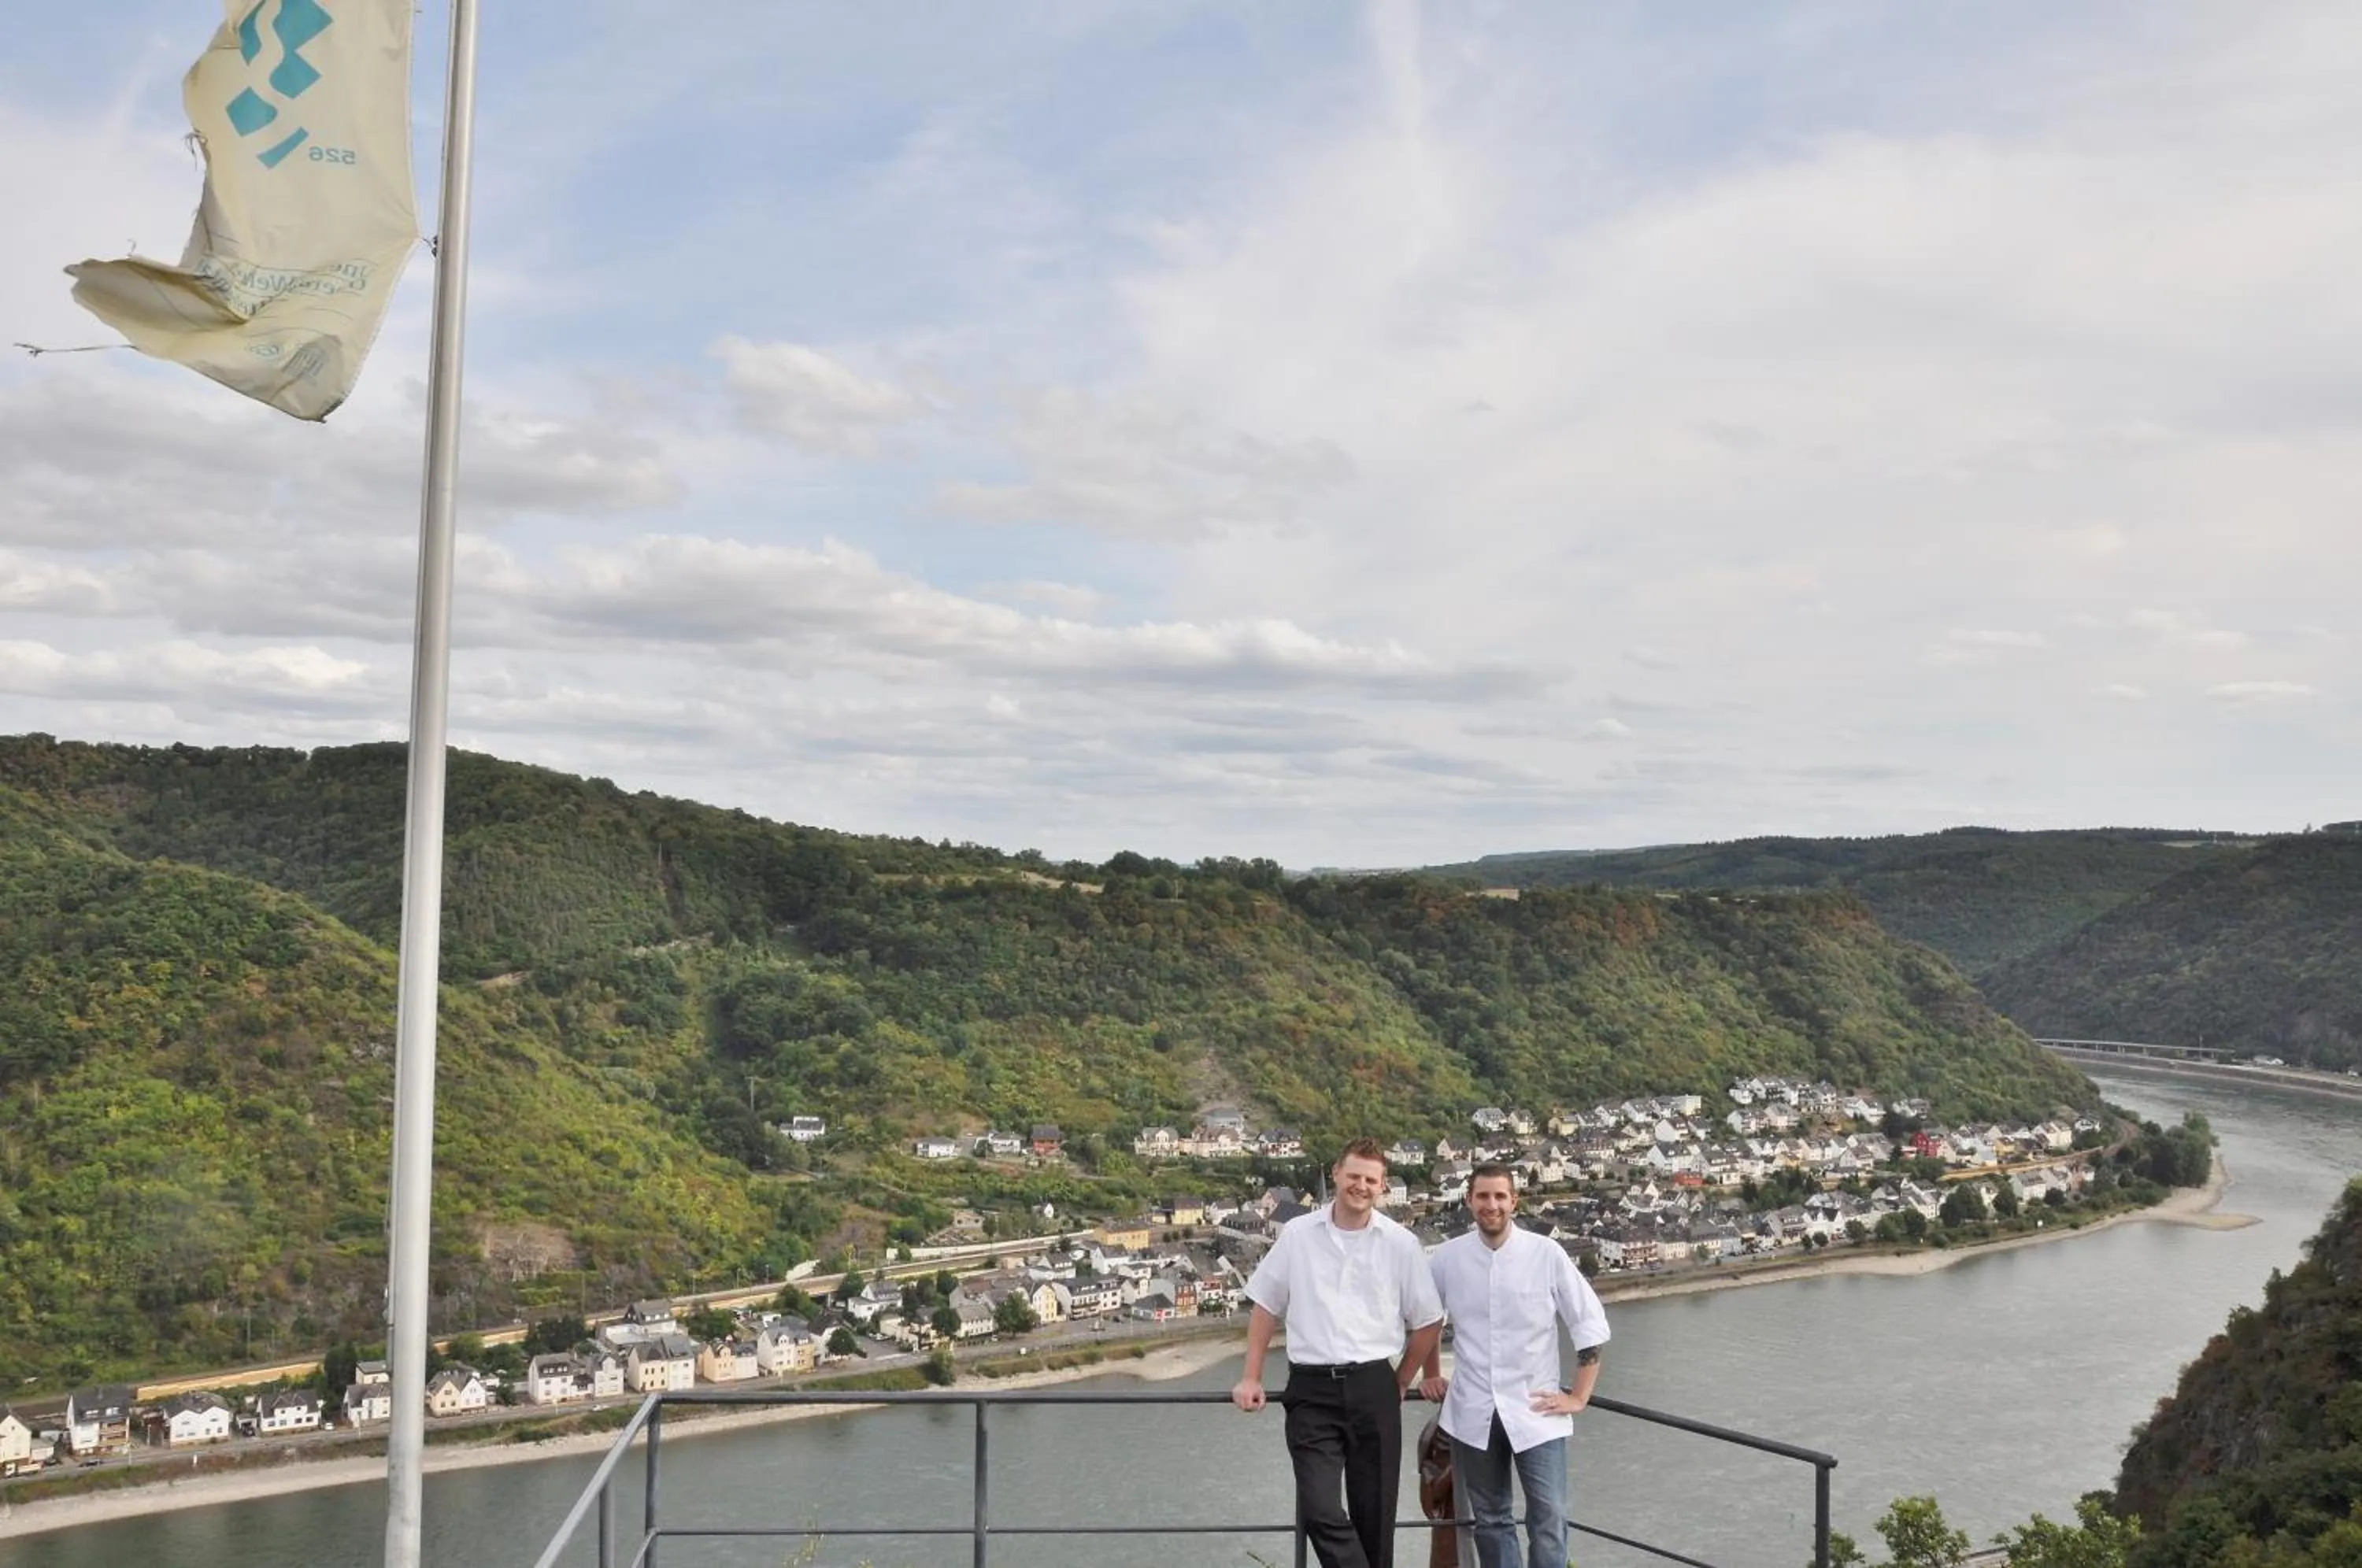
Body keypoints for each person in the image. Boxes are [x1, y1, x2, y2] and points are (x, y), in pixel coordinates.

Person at [1234, 1138, 1446, 1568]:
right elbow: (1265, 1306)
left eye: (1371, 1179)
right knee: (1319, 1508)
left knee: (1376, 1517)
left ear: (1382, 1186)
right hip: (1311, 1392)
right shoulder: (1298, 1235)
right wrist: (1251, 1376)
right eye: (1354, 1176)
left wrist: (1403, 1378)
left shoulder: (1400, 1243)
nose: (1361, 1186)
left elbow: (1428, 1320)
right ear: (1336, 1173)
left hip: (1374, 1387)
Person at [1417, 1164, 1608, 1568]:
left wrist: (1579, 1395)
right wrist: (1431, 1372)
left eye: (1500, 1196)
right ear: (1469, 1200)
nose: (1492, 1205)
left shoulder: (1546, 1254)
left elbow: (1588, 1323)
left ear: (1514, 1201)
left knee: (1550, 1516)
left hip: (1536, 1409)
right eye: (1483, 1196)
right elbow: (1427, 1320)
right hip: (1475, 1409)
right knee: (1490, 1520)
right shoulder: (1448, 1258)